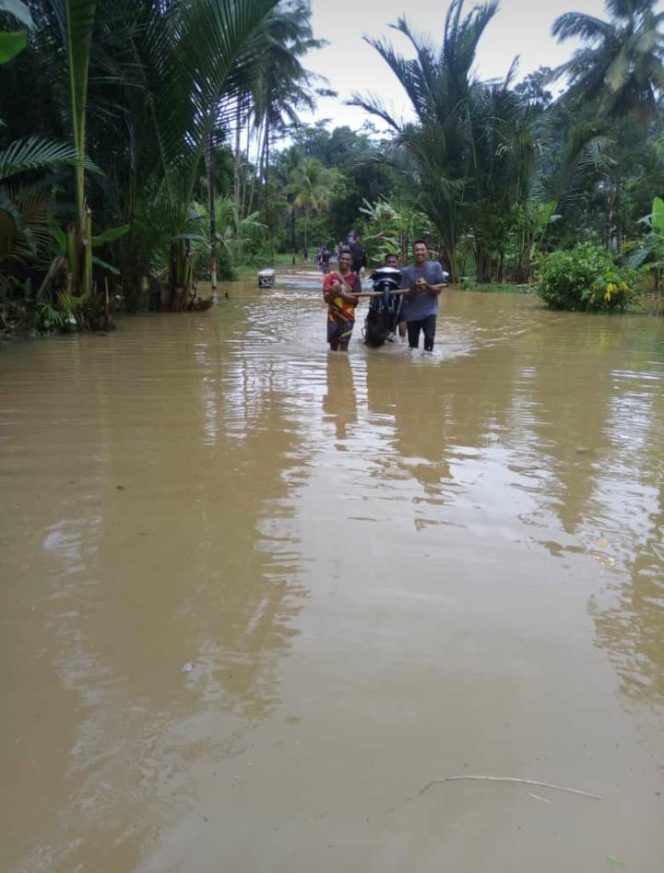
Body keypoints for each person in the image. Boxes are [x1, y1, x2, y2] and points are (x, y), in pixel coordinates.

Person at [400, 240, 447, 352]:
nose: (419, 252)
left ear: (427, 252)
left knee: (429, 343)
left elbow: (438, 291)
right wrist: (415, 288)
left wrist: (427, 286)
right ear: (413, 252)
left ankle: (428, 362)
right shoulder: (406, 271)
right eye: (417, 250)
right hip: (412, 314)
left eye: (422, 250)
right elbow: (406, 294)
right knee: (413, 348)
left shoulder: (436, 267)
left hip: (429, 311)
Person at [322, 248, 361, 351]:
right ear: (338, 260)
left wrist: (340, 294)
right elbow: (326, 299)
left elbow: (355, 300)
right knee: (333, 348)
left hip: (348, 318)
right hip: (333, 318)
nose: (344, 261)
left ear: (351, 262)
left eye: (347, 259)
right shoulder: (330, 277)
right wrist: (333, 294)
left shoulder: (355, 278)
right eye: (342, 258)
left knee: (344, 348)